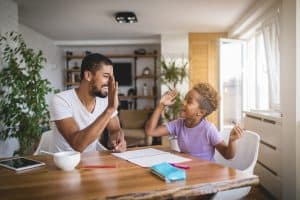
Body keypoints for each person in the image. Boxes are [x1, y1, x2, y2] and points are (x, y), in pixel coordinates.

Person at [145, 82, 243, 161]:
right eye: (185, 99)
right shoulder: (178, 124)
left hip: (207, 175)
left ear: (200, 112)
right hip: (187, 171)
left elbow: (227, 155)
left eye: (189, 101)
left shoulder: (208, 129)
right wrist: (161, 106)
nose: (183, 102)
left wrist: (232, 141)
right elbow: (151, 131)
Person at [49, 53, 127, 153]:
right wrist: (110, 109)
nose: (111, 82)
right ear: (88, 75)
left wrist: (119, 139)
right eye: (106, 76)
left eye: (111, 77)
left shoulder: (105, 100)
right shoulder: (61, 100)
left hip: (90, 160)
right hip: (62, 164)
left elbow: (115, 130)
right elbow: (77, 145)